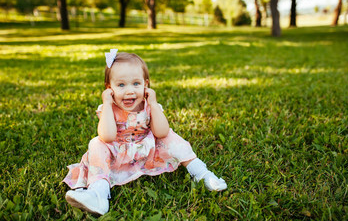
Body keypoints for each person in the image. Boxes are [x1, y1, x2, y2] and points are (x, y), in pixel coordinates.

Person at [63, 50, 227, 216]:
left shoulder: (149, 106)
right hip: (117, 154)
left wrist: (154, 105)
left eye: (136, 84)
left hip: (147, 150)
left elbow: (161, 132)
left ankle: (202, 173)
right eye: (121, 85)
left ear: (146, 85)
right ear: (109, 89)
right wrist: (106, 103)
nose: (130, 91)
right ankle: (98, 194)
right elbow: (107, 136)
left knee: (170, 135)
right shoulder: (108, 108)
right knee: (96, 143)